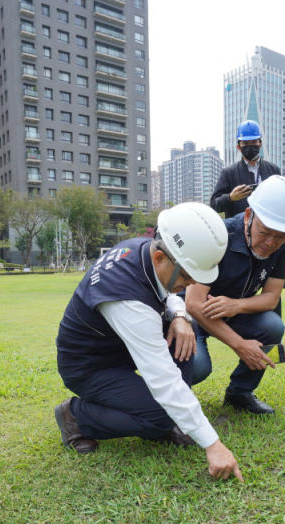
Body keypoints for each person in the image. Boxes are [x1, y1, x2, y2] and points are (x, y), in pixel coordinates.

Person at [55, 203, 244, 482]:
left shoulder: (147, 250)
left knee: (182, 332)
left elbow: (164, 291)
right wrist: (213, 444)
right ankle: (76, 416)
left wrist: (180, 315)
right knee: (161, 416)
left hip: (114, 348)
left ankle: (181, 421)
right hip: (88, 366)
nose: (191, 284)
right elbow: (163, 380)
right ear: (159, 257)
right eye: (187, 276)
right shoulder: (128, 302)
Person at [186, 175, 285, 415]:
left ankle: (239, 393)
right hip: (191, 316)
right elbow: (193, 303)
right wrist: (240, 345)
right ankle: (166, 399)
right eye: (265, 232)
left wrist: (235, 306)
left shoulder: (282, 245)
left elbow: (271, 297)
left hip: (230, 311)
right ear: (249, 216)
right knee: (197, 368)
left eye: (280, 236)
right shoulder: (219, 236)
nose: (271, 243)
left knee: (272, 326)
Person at [209, 120, 282, 216]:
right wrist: (230, 197)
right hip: (239, 228)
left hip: (267, 227)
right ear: (238, 147)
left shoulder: (273, 170)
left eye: (254, 142)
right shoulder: (229, 173)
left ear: (260, 144)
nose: (250, 146)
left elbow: (281, 199)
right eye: (246, 143)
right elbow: (214, 204)